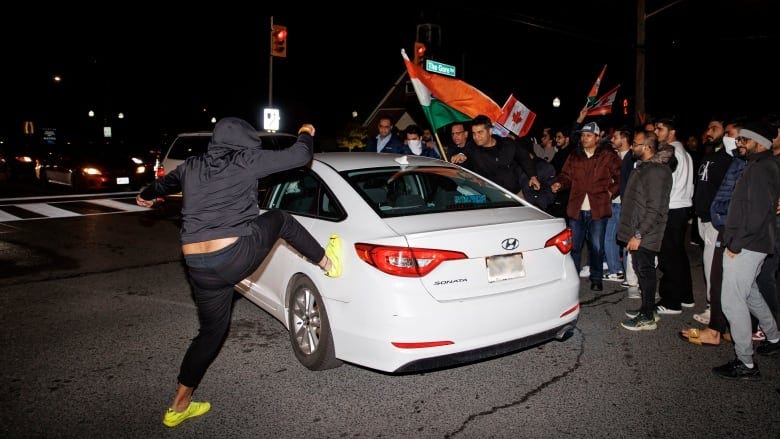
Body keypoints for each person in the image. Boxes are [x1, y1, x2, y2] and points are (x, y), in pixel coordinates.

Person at [135, 117, 343, 427]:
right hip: (233, 256)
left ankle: (178, 407)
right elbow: (300, 155)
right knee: (281, 219)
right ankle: (327, 263)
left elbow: (164, 184)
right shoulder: (244, 160)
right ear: (244, 141)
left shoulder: (192, 165)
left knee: (209, 334)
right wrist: (304, 132)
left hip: (198, 266)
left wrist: (148, 194)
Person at [714, 120, 780, 379]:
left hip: (747, 244)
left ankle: (746, 363)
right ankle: (774, 337)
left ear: (760, 143)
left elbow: (757, 213)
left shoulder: (761, 168)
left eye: (744, 139)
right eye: (739, 139)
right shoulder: (758, 165)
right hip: (753, 242)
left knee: (732, 302)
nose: (739, 143)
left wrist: (736, 243)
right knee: (750, 293)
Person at [551, 121, 621, 291]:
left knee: (596, 247)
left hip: (598, 208)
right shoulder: (575, 155)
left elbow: (621, 177)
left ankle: (596, 278)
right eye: (583, 135)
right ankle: (573, 278)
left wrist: (611, 192)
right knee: (574, 246)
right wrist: (560, 183)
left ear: (597, 138)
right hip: (577, 208)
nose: (584, 138)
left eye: (588, 135)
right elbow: (566, 175)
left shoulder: (607, 155)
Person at [619, 132, 673, 330]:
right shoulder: (647, 167)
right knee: (642, 270)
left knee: (646, 271)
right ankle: (646, 309)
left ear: (647, 147)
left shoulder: (656, 171)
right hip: (640, 228)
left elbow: (655, 208)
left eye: (635, 144)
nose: (632, 147)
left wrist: (639, 234)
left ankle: (647, 317)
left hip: (646, 231)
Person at [690, 118, 733, 323]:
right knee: (709, 263)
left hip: (716, 219)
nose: (709, 132)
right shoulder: (710, 156)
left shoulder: (730, 160)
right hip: (703, 216)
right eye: (709, 128)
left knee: (711, 264)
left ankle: (713, 309)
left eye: (714, 128)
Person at [653, 117, 695, 313]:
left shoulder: (671, 153)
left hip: (672, 207)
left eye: (660, 129)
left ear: (672, 132)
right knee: (678, 254)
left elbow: (662, 184)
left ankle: (671, 301)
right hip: (682, 207)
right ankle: (686, 296)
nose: (656, 133)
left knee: (668, 257)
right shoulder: (685, 153)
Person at [451, 114, 541, 194]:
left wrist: (533, 176)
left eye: (480, 132)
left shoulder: (507, 144)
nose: (476, 137)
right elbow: (465, 153)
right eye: (474, 133)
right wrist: (461, 155)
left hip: (515, 194)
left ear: (490, 131)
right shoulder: (472, 148)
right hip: (491, 197)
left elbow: (524, 158)